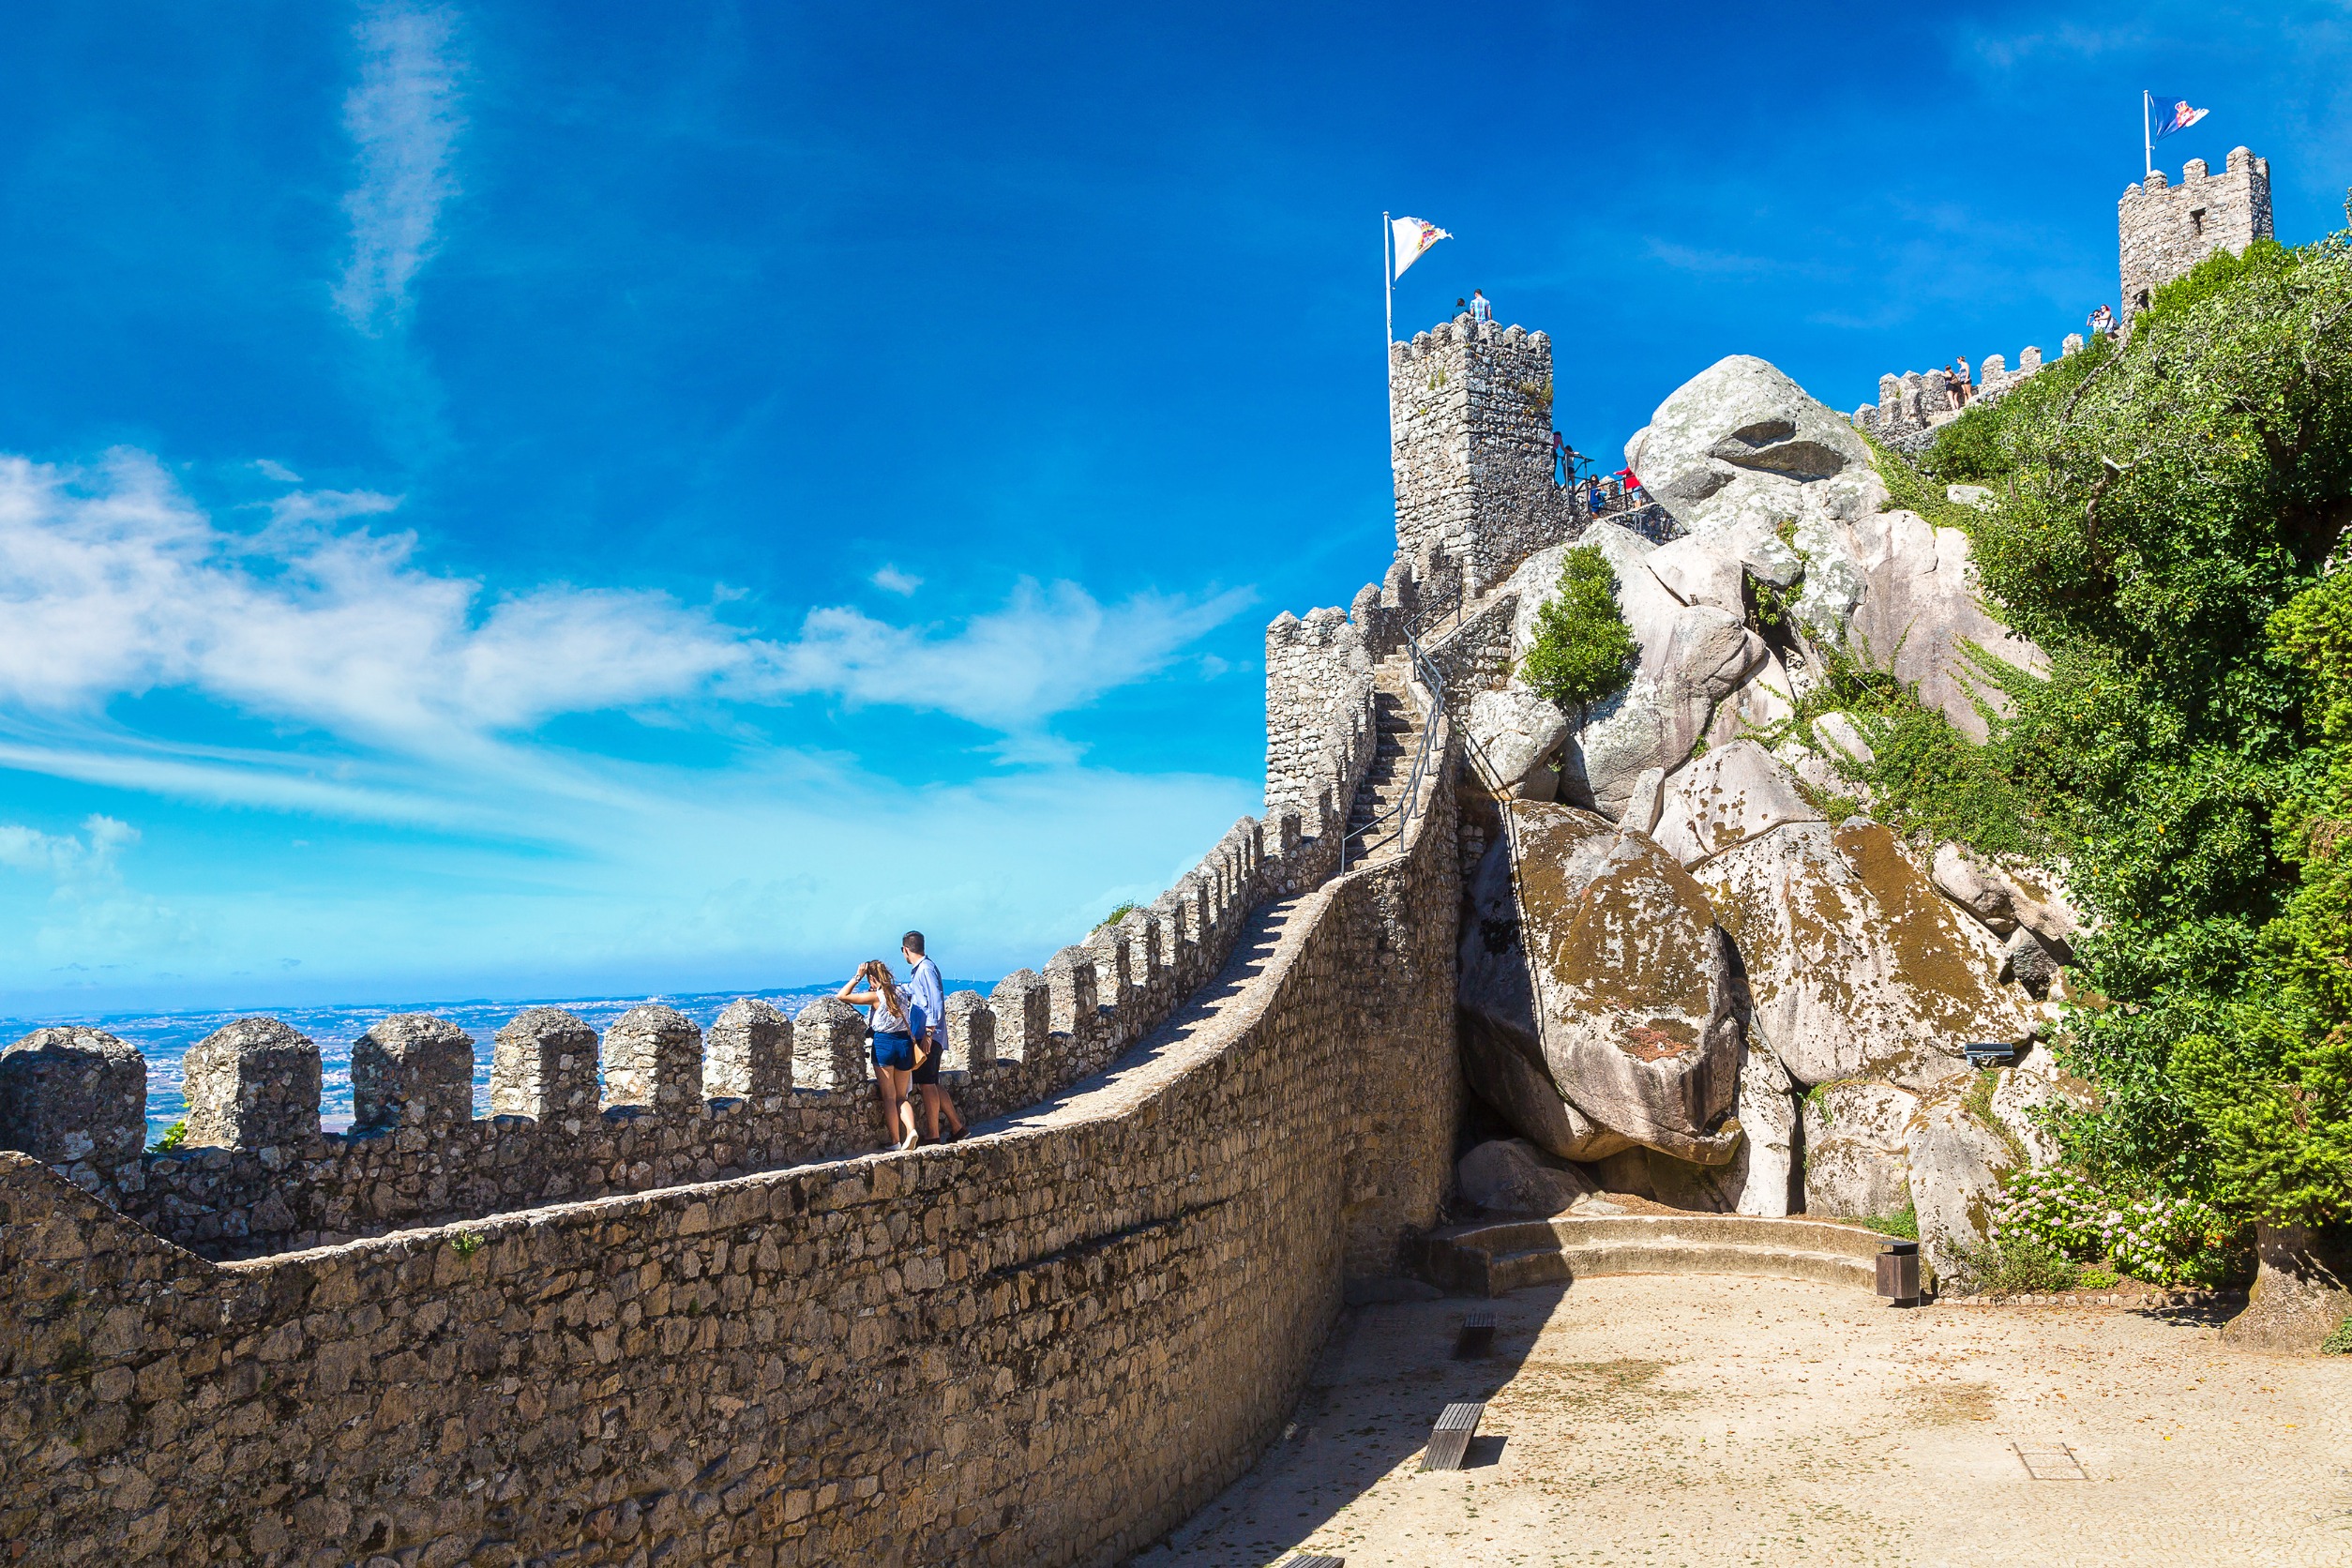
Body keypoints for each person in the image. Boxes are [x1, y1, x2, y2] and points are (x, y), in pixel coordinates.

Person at [839, 958, 919, 1151]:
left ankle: (895, 1141)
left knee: (889, 1097)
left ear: (872, 978)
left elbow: (842, 996)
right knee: (902, 1097)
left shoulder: (875, 997)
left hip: (884, 1044)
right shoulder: (901, 992)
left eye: (869, 980)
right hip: (904, 1044)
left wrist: (857, 976)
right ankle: (911, 1131)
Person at [902, 930, 966, 1144]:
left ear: (906, 950)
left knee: (927, 1084)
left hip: (929, 1036)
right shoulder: (921, 970)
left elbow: (937, 1002)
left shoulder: (926, 969)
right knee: (933, 1082)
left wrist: (928, 1033)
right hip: (929, 1035)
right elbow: (914, 992)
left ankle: (933, 1134)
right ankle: (957, 1126)